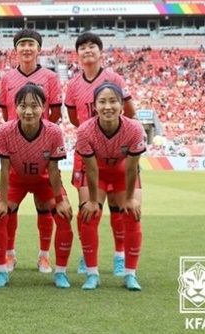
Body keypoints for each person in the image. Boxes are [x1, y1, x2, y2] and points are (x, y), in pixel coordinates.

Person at [65, 32, 137, 276]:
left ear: (100, 51)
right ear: (77, 54)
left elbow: (130, 111)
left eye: (92, 46)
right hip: (86, 150)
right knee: (86, 206)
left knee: (118, 205)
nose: (87, 51)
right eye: (82, 47)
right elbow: (75, 118)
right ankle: (87, 258)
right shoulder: (73, 84)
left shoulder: (113, 78)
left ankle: (120, 256)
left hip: (115, 152)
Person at [0, 83, 73, 288]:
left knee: (63, 216)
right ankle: (2, 268)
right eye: (23, 106)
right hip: (15, 179)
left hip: (45, 179)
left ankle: (57, 269)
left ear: (44, 107)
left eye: (34, 106)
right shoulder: (5, 131)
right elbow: (4, 168)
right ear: (15, 107)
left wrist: (61, 200)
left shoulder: (53, 132)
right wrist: (0, 200)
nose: (28, 111)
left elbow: (53, 170)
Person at [0, 29, 63, 273]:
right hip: (16, 151)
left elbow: (55, 112)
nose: (26, 48)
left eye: (31, 44)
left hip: (42, 151)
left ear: (39, 49)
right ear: (16, 49)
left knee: (44, 206)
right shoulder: (7, 79)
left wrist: (44, 136)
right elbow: (6, 114)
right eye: (22, 44)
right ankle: (9, 254)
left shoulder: (50, 77)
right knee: (9, 207)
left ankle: (44, 256)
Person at [75, 82, 145, 291]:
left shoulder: (134, 129)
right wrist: (94, 200)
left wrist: (131, 198)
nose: (108, 106)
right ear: (95, 106)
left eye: (113, 101)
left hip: (124, 173)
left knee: (132, 213)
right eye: (102, 102)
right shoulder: (85, 130)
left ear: (122, 105)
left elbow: (132, 169)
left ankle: (130, 274)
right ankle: (92, 273)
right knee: (89, 214)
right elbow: (92, 169)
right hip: (99, 173)